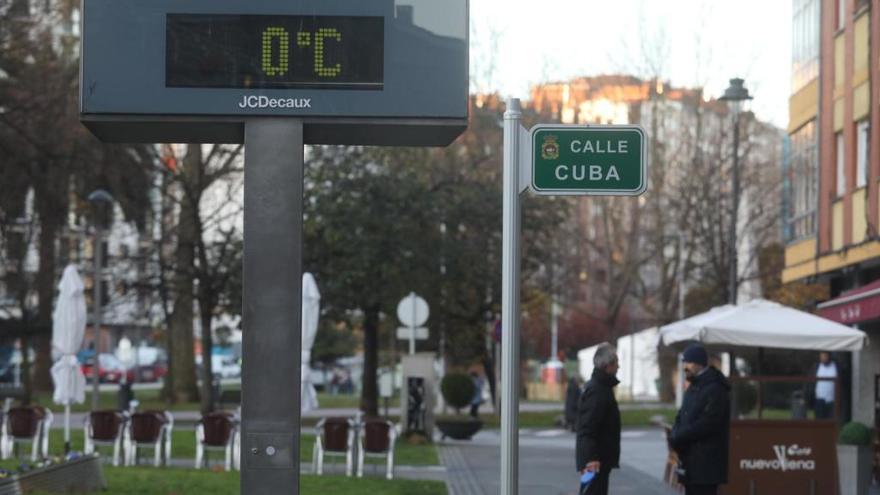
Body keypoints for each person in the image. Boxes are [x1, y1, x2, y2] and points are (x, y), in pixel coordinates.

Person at [671, 343, 731, 495]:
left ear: (700, 363)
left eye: (689, 362)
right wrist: (676, 433)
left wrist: (681, 435)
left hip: (706, 465)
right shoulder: (693, 385)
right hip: (691, 463)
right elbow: (682, 414)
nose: (685, 366)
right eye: (684, 362)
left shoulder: (715, 389)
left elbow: (707, 423)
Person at [575, 343, 621, 495]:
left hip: (598, 459)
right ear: (608, 366)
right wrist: (591, 458)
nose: (618, 367)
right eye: (616, 363)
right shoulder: (598, 391)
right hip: (595, 461)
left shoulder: (601, 388)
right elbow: (587, 428)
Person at [813, 351, 837, 419]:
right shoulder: (816, 367)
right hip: (819, 399)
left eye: (825, 356)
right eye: (822, 356)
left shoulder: (836, 367)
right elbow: (810, 382)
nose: (823, 358)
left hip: (833, 400)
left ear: (829, 356)